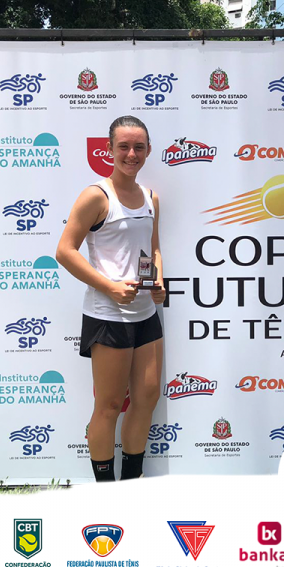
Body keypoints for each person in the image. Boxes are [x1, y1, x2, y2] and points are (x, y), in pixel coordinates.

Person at [56, 116, 165, 482]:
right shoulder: (96, 196)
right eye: (124, 147)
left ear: (148, 151)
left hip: (146, 315)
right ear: (109, 150)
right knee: (109, 406)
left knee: (147, 398)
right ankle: (105, 491)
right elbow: (65, 251)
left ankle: (133, 483)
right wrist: (110, 287)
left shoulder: (151, 197)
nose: (131, 154)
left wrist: (157, 280)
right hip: (107, 315)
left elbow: (152, 248)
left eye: (139, 147)